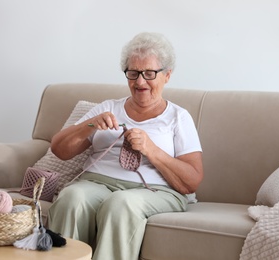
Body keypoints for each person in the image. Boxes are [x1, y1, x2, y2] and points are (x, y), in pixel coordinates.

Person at [48, 32, 203, 260]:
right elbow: (59, 150)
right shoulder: (108, 107)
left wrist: (151, 149)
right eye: (133, 73)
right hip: (96, 183)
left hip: (155, 191)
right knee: (72, 197)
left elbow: (191, 181)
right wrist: (89, 126)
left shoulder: (178, 117)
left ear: (167, 75)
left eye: (149, 73)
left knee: (120, 204)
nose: (140, 82)